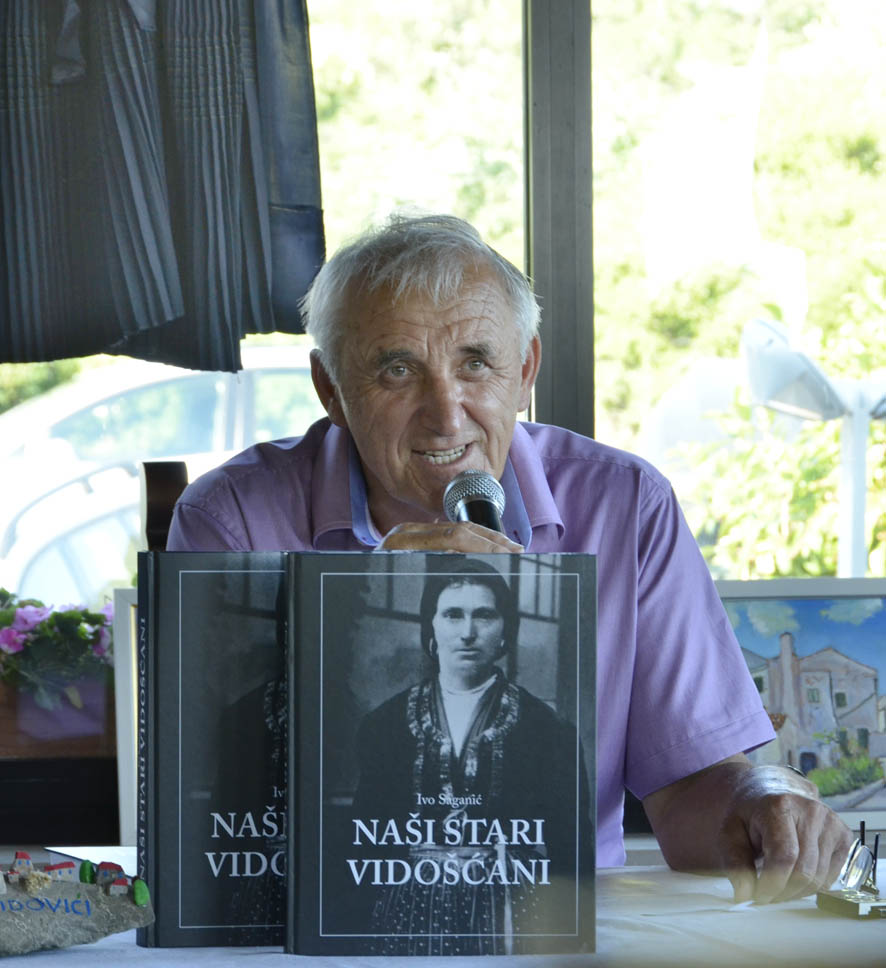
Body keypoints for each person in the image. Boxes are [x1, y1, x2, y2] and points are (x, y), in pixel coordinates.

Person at [167, 211, 851, 902]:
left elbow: (691, 787)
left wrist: (769, 797)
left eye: (475, 363)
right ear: (331, 390)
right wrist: (350, 607)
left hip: (558, 930)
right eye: (397, 370)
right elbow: (227, 809)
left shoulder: (626, 504)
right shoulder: (230, 520)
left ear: (524, 370)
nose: (446, 413)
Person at [348, 559, 593, 954]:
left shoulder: (549, 730)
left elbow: (570, 848)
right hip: (408, 913)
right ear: (431, 626)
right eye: (452, 615)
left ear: (504, 631)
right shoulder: (385, 725)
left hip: (512, 914)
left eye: (484, 615)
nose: (467, 632)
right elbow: (364, 840)